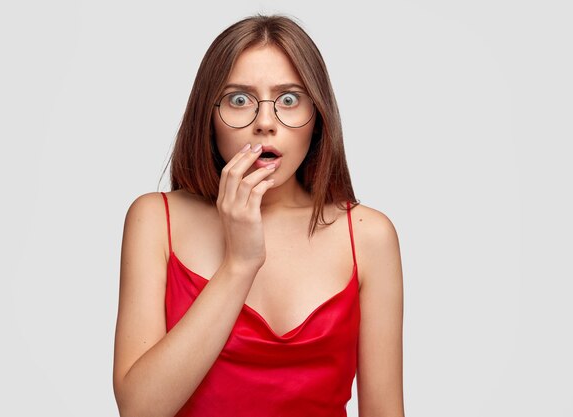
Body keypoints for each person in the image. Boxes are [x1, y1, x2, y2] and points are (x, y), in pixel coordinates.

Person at [112, 13, 405, 417]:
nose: (265, 123)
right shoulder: (155, 220)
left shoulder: (369, 235)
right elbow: (139, 409)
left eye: (288, 99)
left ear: (317, 117)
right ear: (208, 116)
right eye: (239, 99)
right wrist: (239, 263)